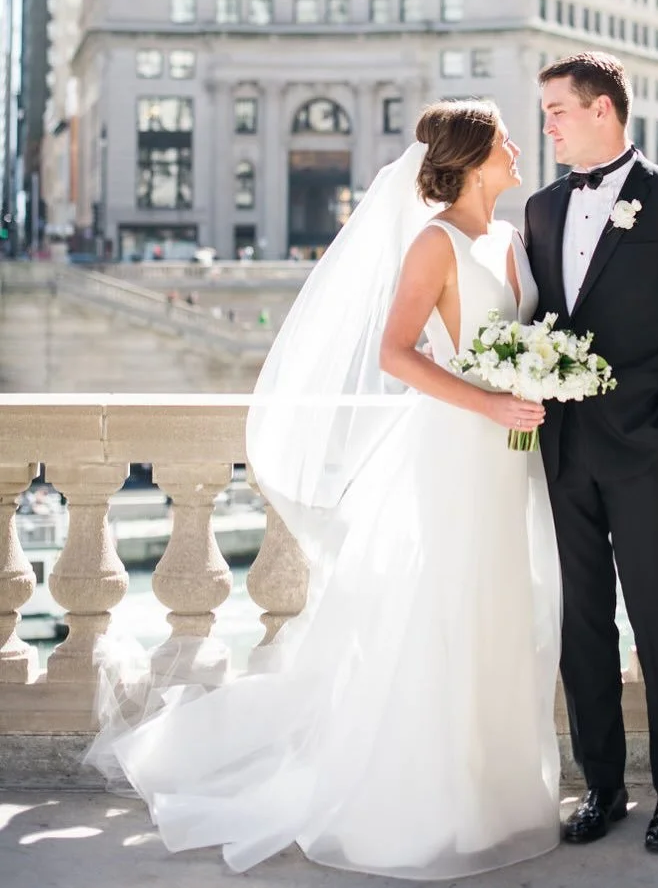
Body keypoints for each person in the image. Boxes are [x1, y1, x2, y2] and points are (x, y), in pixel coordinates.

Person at [87, 100, 563, 878]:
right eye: (504, 138)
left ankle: (502, 797)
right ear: (475, 158)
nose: (518, 146)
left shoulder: (511, 239)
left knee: (506, 611)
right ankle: (435, 803)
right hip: (456, 449)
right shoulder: (434, 242)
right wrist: (488, 404)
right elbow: (396, 353)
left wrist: (534, 382)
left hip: (513, 458)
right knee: (451, 612)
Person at [524, 51, 658, 854]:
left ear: (602, 108)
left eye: (557, 109)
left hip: (642, 451)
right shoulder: (541, 209)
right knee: (581, 627)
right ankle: (603, 788)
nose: (548, 124)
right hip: (561, 453)